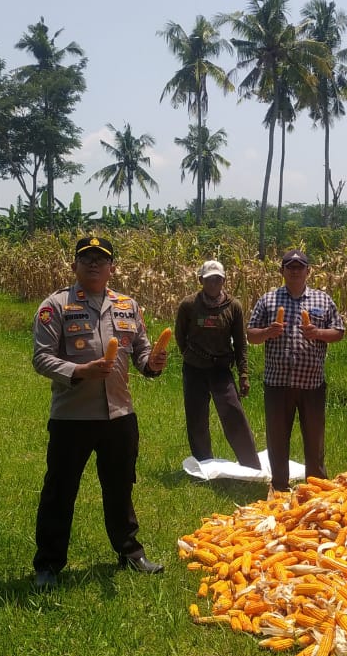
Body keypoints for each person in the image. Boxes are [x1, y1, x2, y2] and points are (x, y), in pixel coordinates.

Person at [30, 236, 169, 588]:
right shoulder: (56, 305)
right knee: (60, 491)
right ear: (74, 265)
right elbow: (41, 358)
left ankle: (130, 552)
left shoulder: (127, 305)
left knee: (120, 487)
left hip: (119, 416)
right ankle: (48, 565)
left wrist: (152, 363)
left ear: (112, 268)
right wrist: (80, 371)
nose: (94, 264)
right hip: (72, 418)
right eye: (86, 258)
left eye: (101, 259)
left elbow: (140, 352)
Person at [247, 249, 346, 492]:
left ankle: (316, 486)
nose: (294, 271)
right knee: (277, 438)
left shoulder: (322, 300)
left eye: (299, 267)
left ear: (308, 271)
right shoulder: (269, 300)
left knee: (314, 439)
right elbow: (251, 334)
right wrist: (267, 332)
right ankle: (279, 485)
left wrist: (318, 333)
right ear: (282, 271)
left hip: (311, 382)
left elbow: (339, 332)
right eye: (289, 267)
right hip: (277, 382)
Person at [174, 259, 261, 469]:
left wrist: (243, 374)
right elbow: (180, 335)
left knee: (234, 415)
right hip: (194, 369)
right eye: (209, 280)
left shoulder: (233, 306)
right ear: (200, 280)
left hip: (221, 369)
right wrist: (189, 354)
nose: (213, 284)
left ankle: (251, 466)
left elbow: (240, 343)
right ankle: (204, 465)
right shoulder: (189, 305)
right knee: (197, 419)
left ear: (224, 280)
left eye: (217, 279)